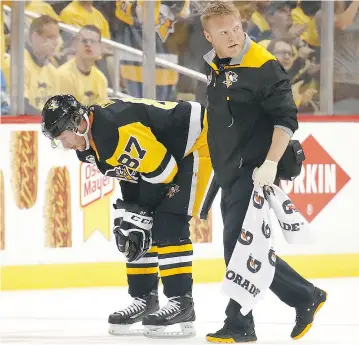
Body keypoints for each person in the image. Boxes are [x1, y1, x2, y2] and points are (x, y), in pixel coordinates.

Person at [200, 2, 327, 343]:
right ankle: (305, 296)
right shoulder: (217, 64)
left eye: (236, 27)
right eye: (223, 31)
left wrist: (270, 164)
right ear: (208, 35)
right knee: (242, 247)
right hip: (230, 170)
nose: (233, 35)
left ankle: (240, 323)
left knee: (239, 246)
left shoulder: (263, 66)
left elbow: (286, 120)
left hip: (255, 170)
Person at [40, 94, 214, 338]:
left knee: (168, 222)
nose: (64, 144)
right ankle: (144, 298)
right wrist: (133, 215)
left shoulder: (112, 131)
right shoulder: (89, 145)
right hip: (166, 154)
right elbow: (131, 173)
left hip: (199, 142)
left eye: (62, 137)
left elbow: (163, 171)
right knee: (131, 227)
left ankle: (181, 302)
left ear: (77, 124)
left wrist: (140, 215)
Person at [58, 25, 108, 106]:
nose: (88, 44)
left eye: (93, 41)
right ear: (75, 44)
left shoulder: (101, 79)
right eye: (84, 41)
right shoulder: (63, 75)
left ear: (100, 47)